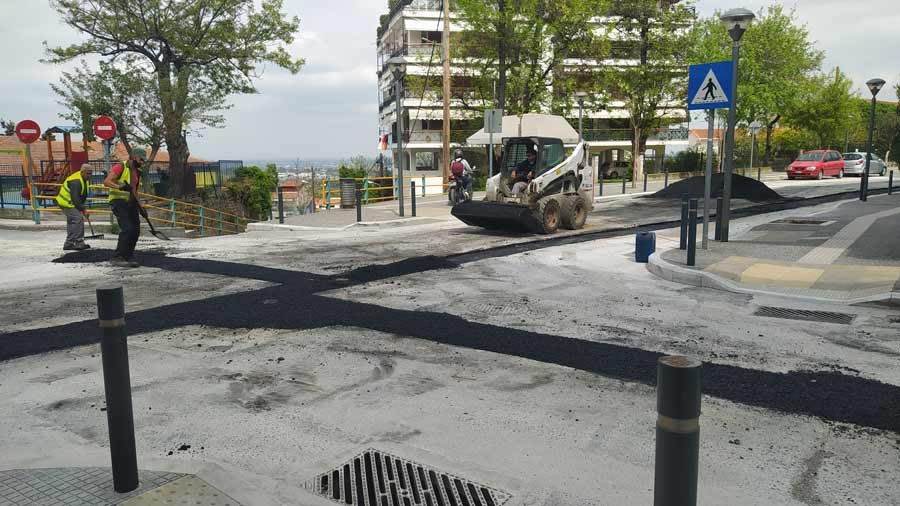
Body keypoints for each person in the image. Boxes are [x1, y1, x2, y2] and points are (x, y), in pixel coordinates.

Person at [104, 149, 148, 268]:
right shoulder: (121, 167)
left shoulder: (137, 172)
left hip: (131, 203)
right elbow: (107, 181)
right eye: (141, 159)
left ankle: (128, 255)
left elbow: (134, 192)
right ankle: (118, 257)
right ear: (134, 157)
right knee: (128, 228)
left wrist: (141, 207)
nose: (142, 162)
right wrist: (120, 187)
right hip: (118, 202)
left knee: (136, 230)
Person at [56, 164, 94, 251]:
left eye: (91, 174)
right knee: (78, 219)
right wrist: (83, 209)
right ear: (82, 172)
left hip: (70, 203)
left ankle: (69, 244)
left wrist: (82, 207)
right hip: (66, 203)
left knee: (72, 222)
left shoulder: (83, 179)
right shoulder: (76, 181)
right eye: (88, 173)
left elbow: (82, 195)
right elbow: (76, 199)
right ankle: (79, 242)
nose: (89, 176)